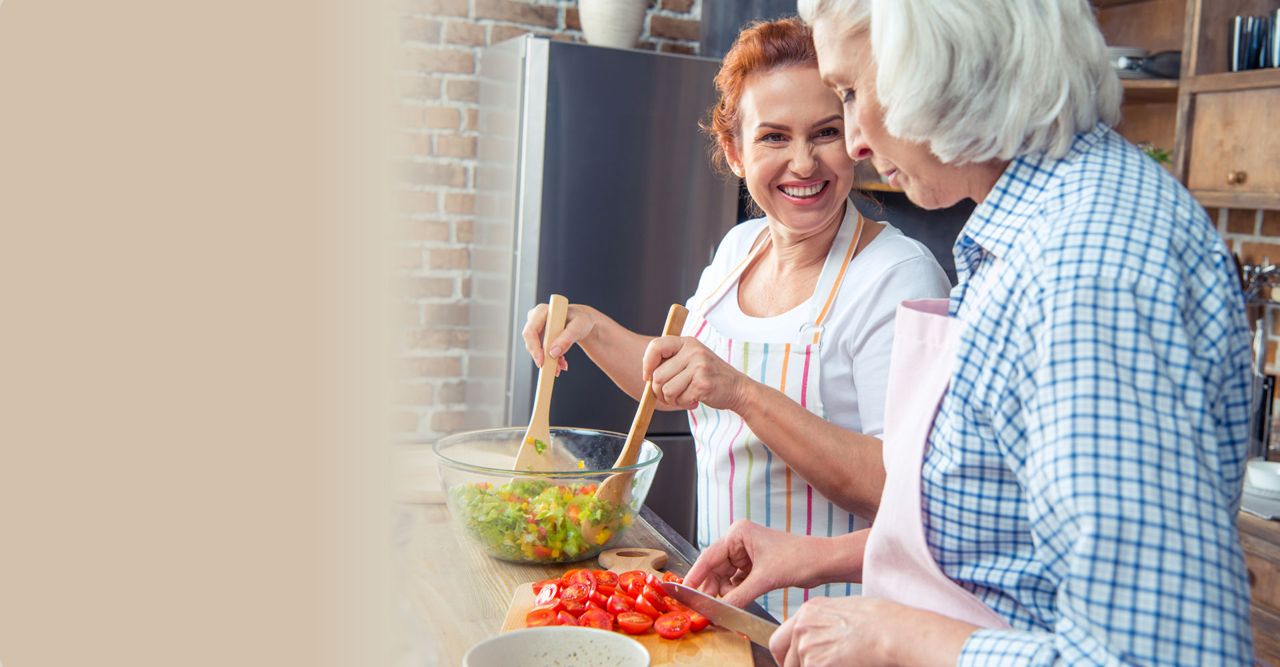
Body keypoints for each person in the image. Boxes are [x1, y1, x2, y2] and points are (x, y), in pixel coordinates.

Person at [684, 0, 1257, 664]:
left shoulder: (1082, 271)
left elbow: (1158, 657)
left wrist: (897, 633)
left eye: (850, 93)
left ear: (946, 64)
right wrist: (816, 555)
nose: (856, 142)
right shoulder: (1034, 227)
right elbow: (1012, 542)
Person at [522, 17, 950, 619]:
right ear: (735, 152)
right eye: (774, 137)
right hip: (728, 608)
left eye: (825, 132)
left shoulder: (899, 277)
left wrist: (742, 392)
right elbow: (673, 384)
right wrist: (592, 328)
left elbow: (900, 490)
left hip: (841, 628)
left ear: (854, 137)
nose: (804, 163)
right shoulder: (739, 249)